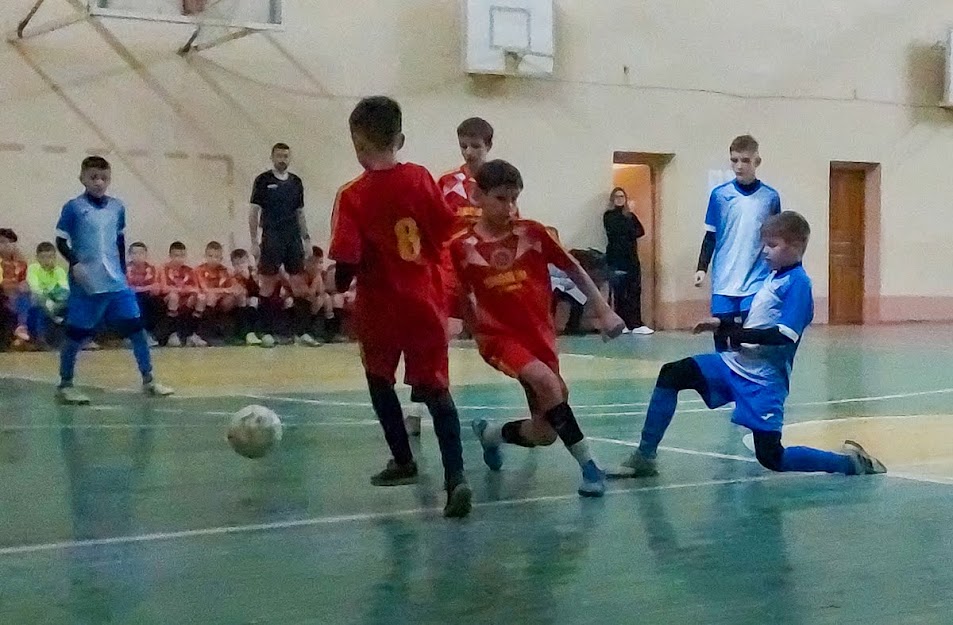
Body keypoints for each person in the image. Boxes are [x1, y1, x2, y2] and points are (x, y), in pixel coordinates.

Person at [610, 211, 886, 480]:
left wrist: (735, 333)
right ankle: (645, 457)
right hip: (736, 365)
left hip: (763, 381)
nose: (765, 251)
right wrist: (721, 322)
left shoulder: (798, 283)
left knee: (772, 457)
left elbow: (784, 334)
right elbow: (757, 317)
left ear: (797, 246)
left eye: (773, 245)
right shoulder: (773, 276)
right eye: (764, 244)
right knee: (672, 373)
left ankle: (848, 462)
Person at [328, 96, 471, 518]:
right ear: (400, 138)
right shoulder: (421, 178)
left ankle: (404, 460)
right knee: (436, 391)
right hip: (425, 301)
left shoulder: (353, 195)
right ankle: (457, 478)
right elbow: (446, 230)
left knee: (379, 379)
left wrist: (331, 284)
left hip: (381, 307)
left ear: (357, 143)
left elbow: (347, 263)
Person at [455, 160, 626, 497]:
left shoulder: (532, 233)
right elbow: (456, 294)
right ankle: (590, 467)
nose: (510, 207)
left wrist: (603, 310)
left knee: (545, 431)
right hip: (499, 339)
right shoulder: (461, 247)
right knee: (547, 382)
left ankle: (491, 435)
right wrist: (465, 326)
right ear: (478, 196)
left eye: (514, 199)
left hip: (541, 338)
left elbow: (573, 268)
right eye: (501, 199)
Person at [54, 156, 173, 405]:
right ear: (82, 178)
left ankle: (149, 379)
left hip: (116, 282)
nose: (99, 182)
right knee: (77, 333)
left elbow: (119, 241)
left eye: (104, 178)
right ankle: (65, 384)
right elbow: (61, 241)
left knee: (136, 328)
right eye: (93, 177)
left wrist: (122, 272)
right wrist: (75, 264)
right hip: (87, 282)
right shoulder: (73, 208)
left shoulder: (117, 207)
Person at [405, 117, 497, 437]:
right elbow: (426, 223)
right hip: (447, 270)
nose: (469, 152)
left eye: (476, 146)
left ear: (489, 146)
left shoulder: (498, 186)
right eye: (463, 146)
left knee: (505, 337)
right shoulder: (447, 182)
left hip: (483, 272)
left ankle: (538, 405)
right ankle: (417, 407)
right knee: (436, 336)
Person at [695, 134, 781, 350]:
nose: (739, 166)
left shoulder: (770, 197)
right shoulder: (719, 196)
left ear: (756, 162)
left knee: (748, 338)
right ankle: (724, 379)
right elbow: (711, 235)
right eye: (734, 160)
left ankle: (746, 378)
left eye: (745, 160)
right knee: (722, 336)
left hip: (756, 280)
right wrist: (701, 268)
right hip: (724, 281)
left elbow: (776, 239)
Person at [249, 143, 320, 348]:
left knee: (299, 285)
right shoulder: (263, 181)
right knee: (268, 284)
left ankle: (302, 332)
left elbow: (300, 213)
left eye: (286, 156)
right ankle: (266, 333)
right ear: (272, 157)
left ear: (290, 158)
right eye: (279, 156)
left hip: (293, 238)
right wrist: (254, 241)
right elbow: (254, 212)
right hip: (272, 237)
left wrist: (306, 239)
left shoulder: (296, 182)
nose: (283, 159)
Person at [603, 187, 653, 335]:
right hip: (616, 259)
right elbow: (616, 232)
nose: (620, 199)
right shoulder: (609, 216)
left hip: (631, 259)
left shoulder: (630, 215)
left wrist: (627, 231)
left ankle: (636, 323)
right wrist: (627, 232)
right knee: (620, 293)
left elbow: (640, 231)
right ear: (613, 199)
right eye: (617, 197)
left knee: (634, 291)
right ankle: (622, 323)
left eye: (622, 197)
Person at [159, 241, 204, 347]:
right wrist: (182, 289)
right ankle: (172, 334)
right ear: (170, 255)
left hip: (186, 297)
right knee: (174, 296)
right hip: (169, 298)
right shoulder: (163, 269)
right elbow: (164, 288)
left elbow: (196, 288)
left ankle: (192, 334)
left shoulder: (189, 270)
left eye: (182, 256)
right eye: (176, 256)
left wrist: (190, 293)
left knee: (201, 298)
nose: (179, 259)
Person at [26, 241, 69, 347]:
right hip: (38, 301)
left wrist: (54, 296)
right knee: (41, 300)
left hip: (56, 301)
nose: (46, 260)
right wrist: (50, 294)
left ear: (54, 258)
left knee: (71, 304)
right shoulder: (33, 268)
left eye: (50, 257)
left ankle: (71, 339)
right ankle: (41, 339)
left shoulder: (59, 271)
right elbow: (34, 287)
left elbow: (64, 289)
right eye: (43, 257)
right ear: (37, 258)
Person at [195, 241, 238, 343]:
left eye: (217, 257)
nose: (213, 259)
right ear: (205, 256)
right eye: (210, 256)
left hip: (220, 299)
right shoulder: (199, 270)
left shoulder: (225, 270)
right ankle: (207, 333)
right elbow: (205, 289)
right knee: (210, 297)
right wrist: (224, 290)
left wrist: (228, 291)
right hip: (204, 300)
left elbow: (234, 287)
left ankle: (231, 333)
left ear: (221, 258)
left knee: (233, 298)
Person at [125, 241, 161, 346]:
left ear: (145, 255)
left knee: (154, 300)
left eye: (140, 253)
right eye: (134, 253)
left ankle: (148, 333)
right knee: (133, 300)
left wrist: (143, 288)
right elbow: (126, 287)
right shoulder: (125, 269)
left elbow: (155, 286)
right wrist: (144, 288)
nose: (137, 256)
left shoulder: (151, 269)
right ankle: (132, 335)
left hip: (146, 297)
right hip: (130, 297)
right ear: (130, 255)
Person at [0, 228, 30, 346]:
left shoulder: (21, 263)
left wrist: (22, 286)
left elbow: (23, 281)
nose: (4, 246)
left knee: (26, 294)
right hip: (3, 294)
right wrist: (16, 287)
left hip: (17, 296)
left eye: (6, 242)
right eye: (1, 242)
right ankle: (20, 331)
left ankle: (21, 332)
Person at [230, 248, 261, 345]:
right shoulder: (233, 275)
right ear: (233, 265)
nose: (240, 266)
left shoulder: (254, 272)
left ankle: (255, 331)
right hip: (238, 301)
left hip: (252, 299)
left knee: (254, 301)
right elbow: (236, 290)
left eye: (243, 262)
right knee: (243, 299)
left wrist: (249, 278)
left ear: (247, 261)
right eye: (237, 264)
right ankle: (245, 332)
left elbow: (257, 290)